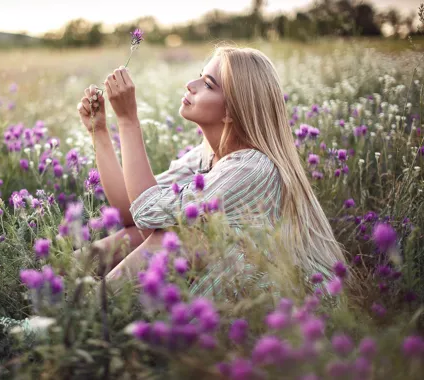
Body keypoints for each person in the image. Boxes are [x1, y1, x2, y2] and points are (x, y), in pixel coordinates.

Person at [75, 43, 348, 297]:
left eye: (207, 84)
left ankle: (83, 315)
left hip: (284, 311)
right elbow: (129, 210)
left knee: (174, 237)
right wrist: (99, 131)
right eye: (199, 77)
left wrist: (128, 120)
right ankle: (53, 287)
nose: (190, 85)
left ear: (231, 110)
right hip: (221, 294)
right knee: (146, 233)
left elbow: (146, 212)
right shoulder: (207, 155)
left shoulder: (252, 167)